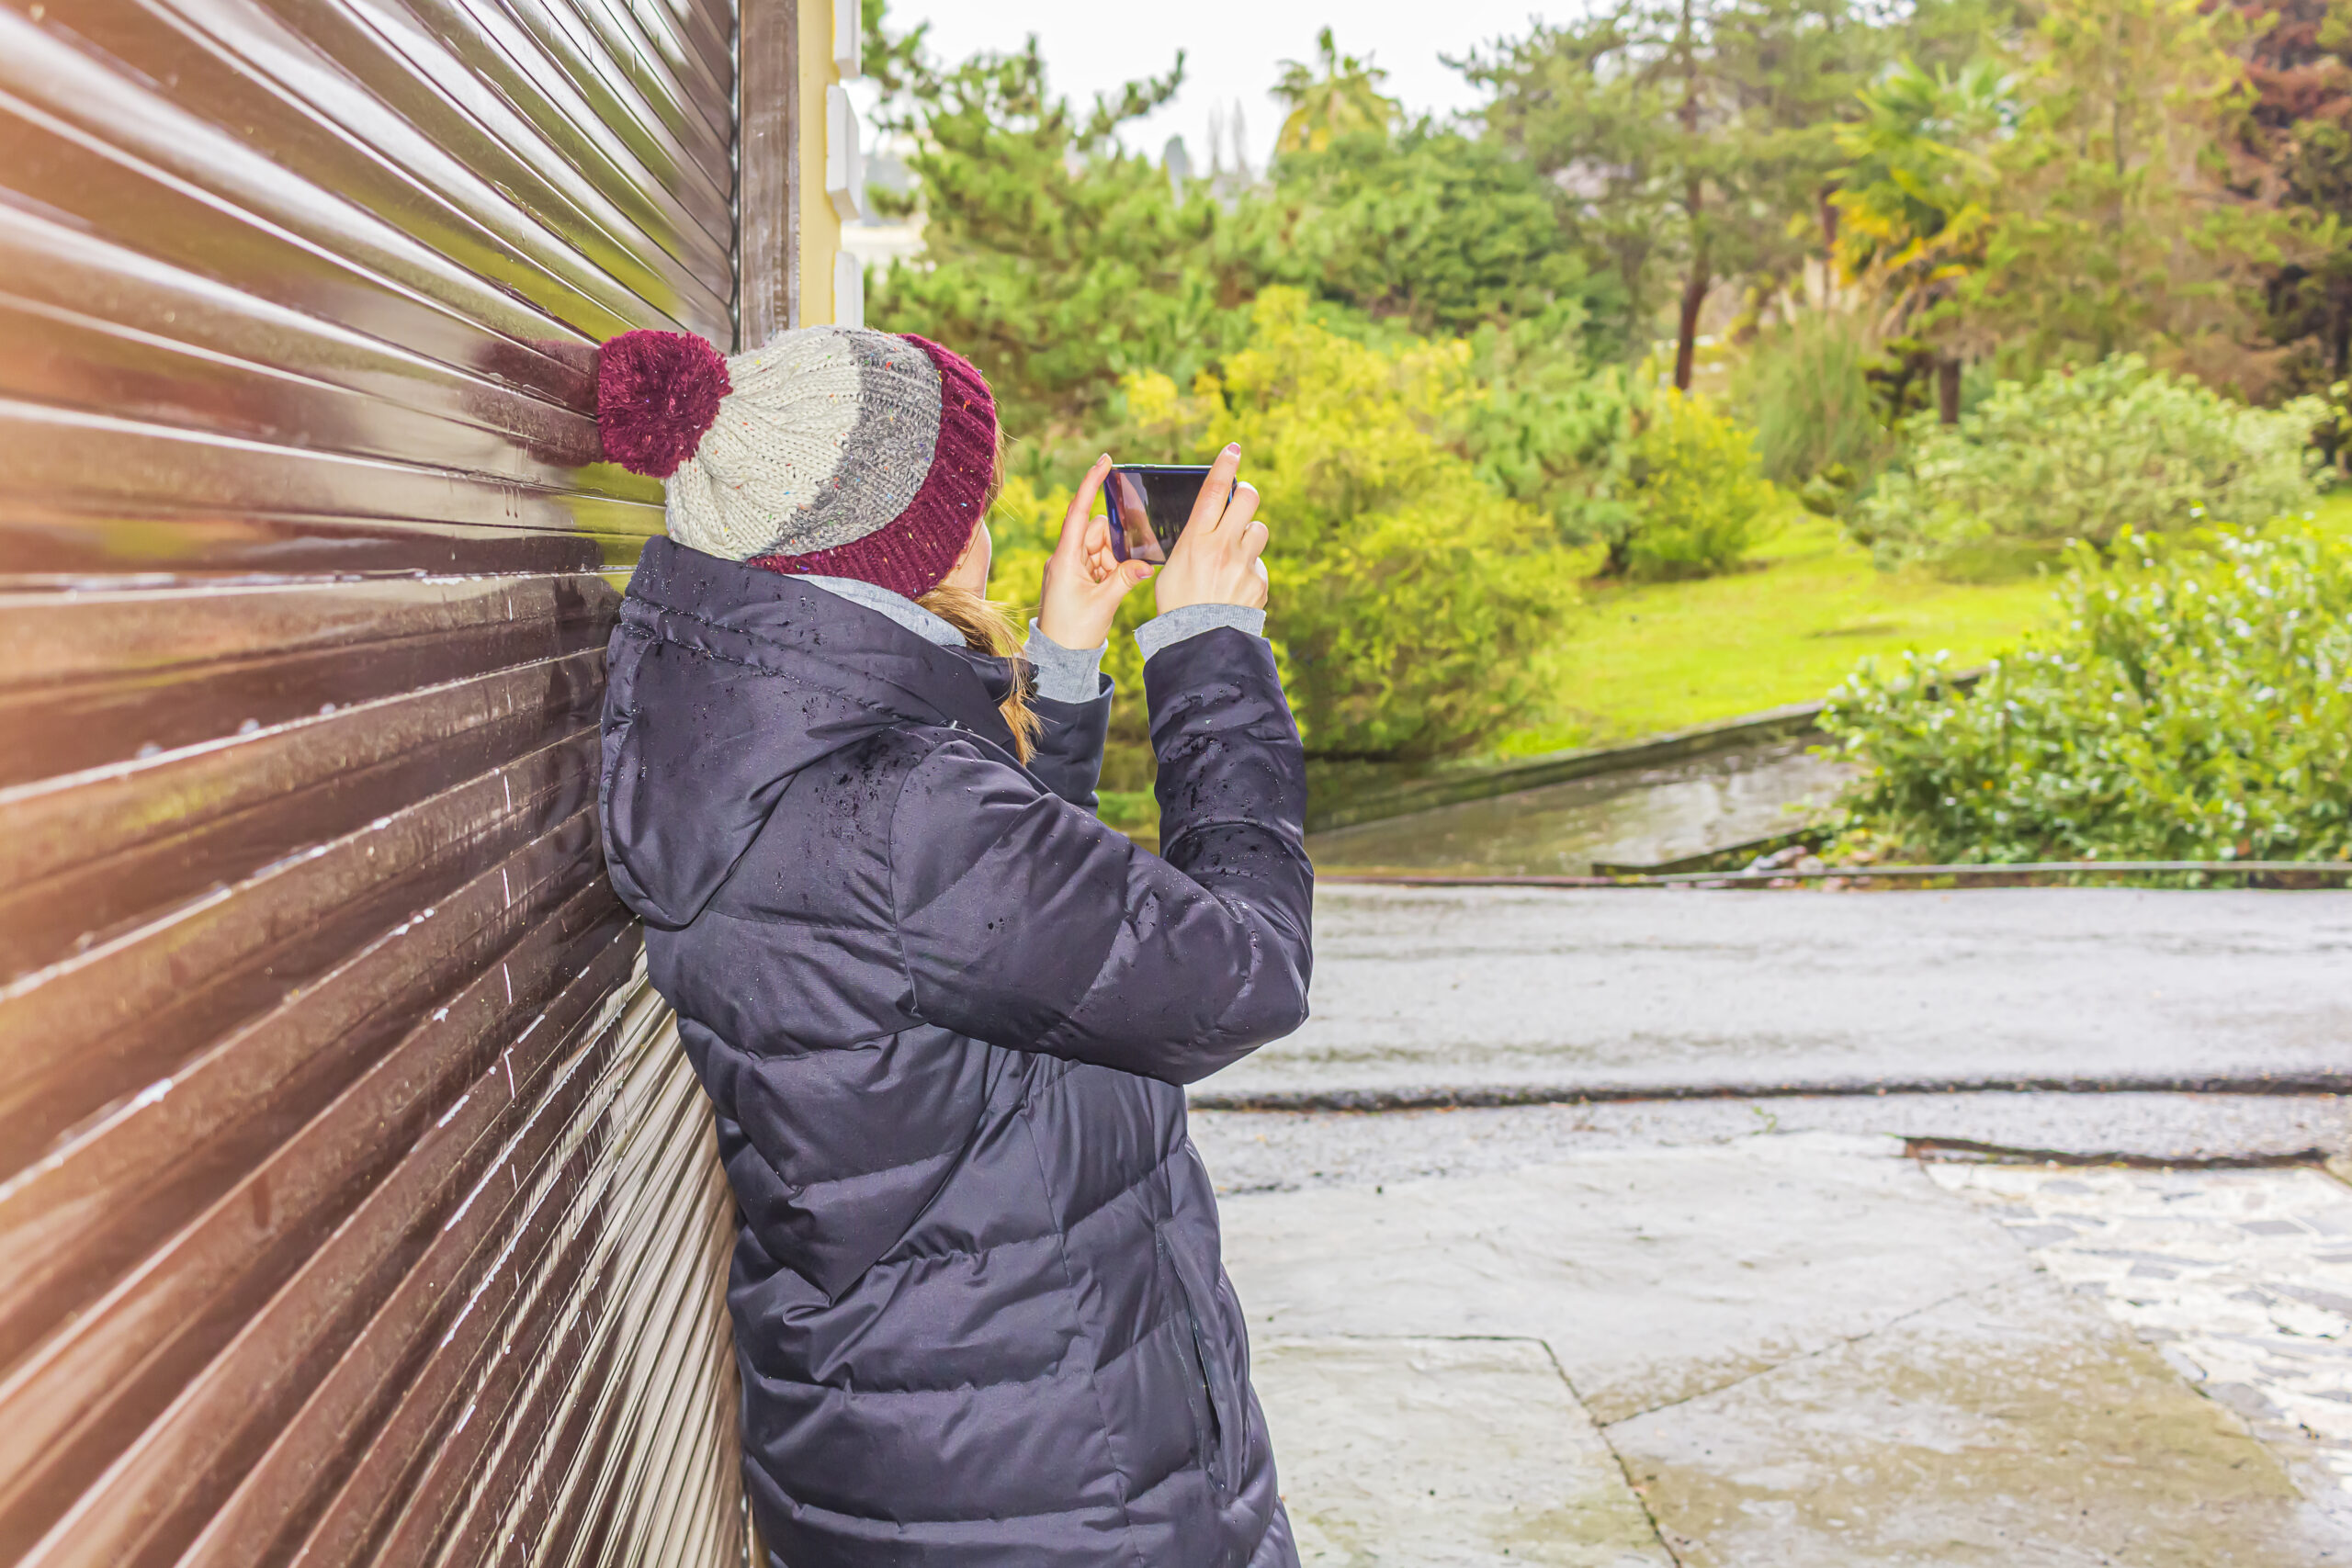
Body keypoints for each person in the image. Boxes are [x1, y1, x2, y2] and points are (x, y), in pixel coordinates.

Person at [592, 324, 1314, 1567]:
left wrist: (1069, 668)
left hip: (915, 1443)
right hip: (1054, 1482)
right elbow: (1243, 974)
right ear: (895, 548)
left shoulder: (745, 729)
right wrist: (1209, 658)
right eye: (967, 502)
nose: (984, 524)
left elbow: (997, 954)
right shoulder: (904, 813)